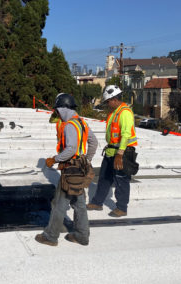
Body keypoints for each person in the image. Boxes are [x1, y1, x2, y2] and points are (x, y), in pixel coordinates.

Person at [35, 93, 98, 246]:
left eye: (58, 110)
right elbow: (94, 143)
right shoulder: (81, 123)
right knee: (79, 203)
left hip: (70, 170)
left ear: (64, 108)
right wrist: (86, 160)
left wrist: (54, 159)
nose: (57, 113)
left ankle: (50, 236)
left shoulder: (70, 125)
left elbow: (70, 149)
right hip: (80, 169)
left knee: (59, 203)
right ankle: (82, 236)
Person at [87, 85, 137, 217]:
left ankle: (121, 208)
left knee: (121, 180)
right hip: (111, 151)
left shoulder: (125, 113)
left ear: (114, 99)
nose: (107, 104)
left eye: (108, 101)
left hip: (122, 152)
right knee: (104, 178)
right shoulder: (114, 112)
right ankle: (97, 202)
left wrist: (120, 154)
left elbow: (126, 134)